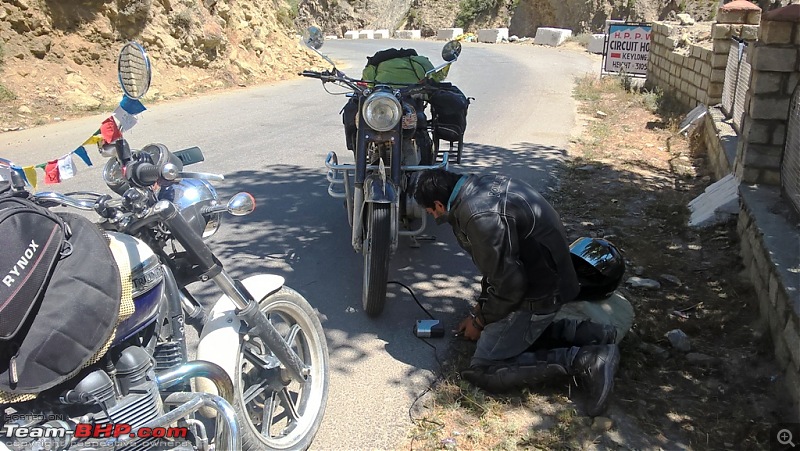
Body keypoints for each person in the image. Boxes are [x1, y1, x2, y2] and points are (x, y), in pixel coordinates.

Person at [413, 168, 621, 416]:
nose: (432, 216)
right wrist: (482, 308)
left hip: (539, 294)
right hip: (550, 280)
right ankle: (593, 334)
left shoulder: (478, 215)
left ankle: (587, 360)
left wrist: (480, 322)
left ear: (438, 203)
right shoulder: (481, 186)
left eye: (430, 212)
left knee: (483, 368)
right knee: (502, 331)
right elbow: (498, 267)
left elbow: (510, 285)